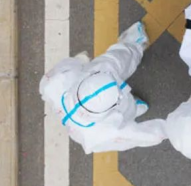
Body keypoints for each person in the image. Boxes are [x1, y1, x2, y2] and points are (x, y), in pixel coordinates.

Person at [39, 23, 167, 154]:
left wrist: (80, 61)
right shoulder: (105, 134)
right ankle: (133, 107)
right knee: (126, 109)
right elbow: (142, 136)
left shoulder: (55, 84)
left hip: (94, 86)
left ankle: (133, 44)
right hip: (103, 95)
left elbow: (66, 66)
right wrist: (168, 130)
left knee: (118, 59)